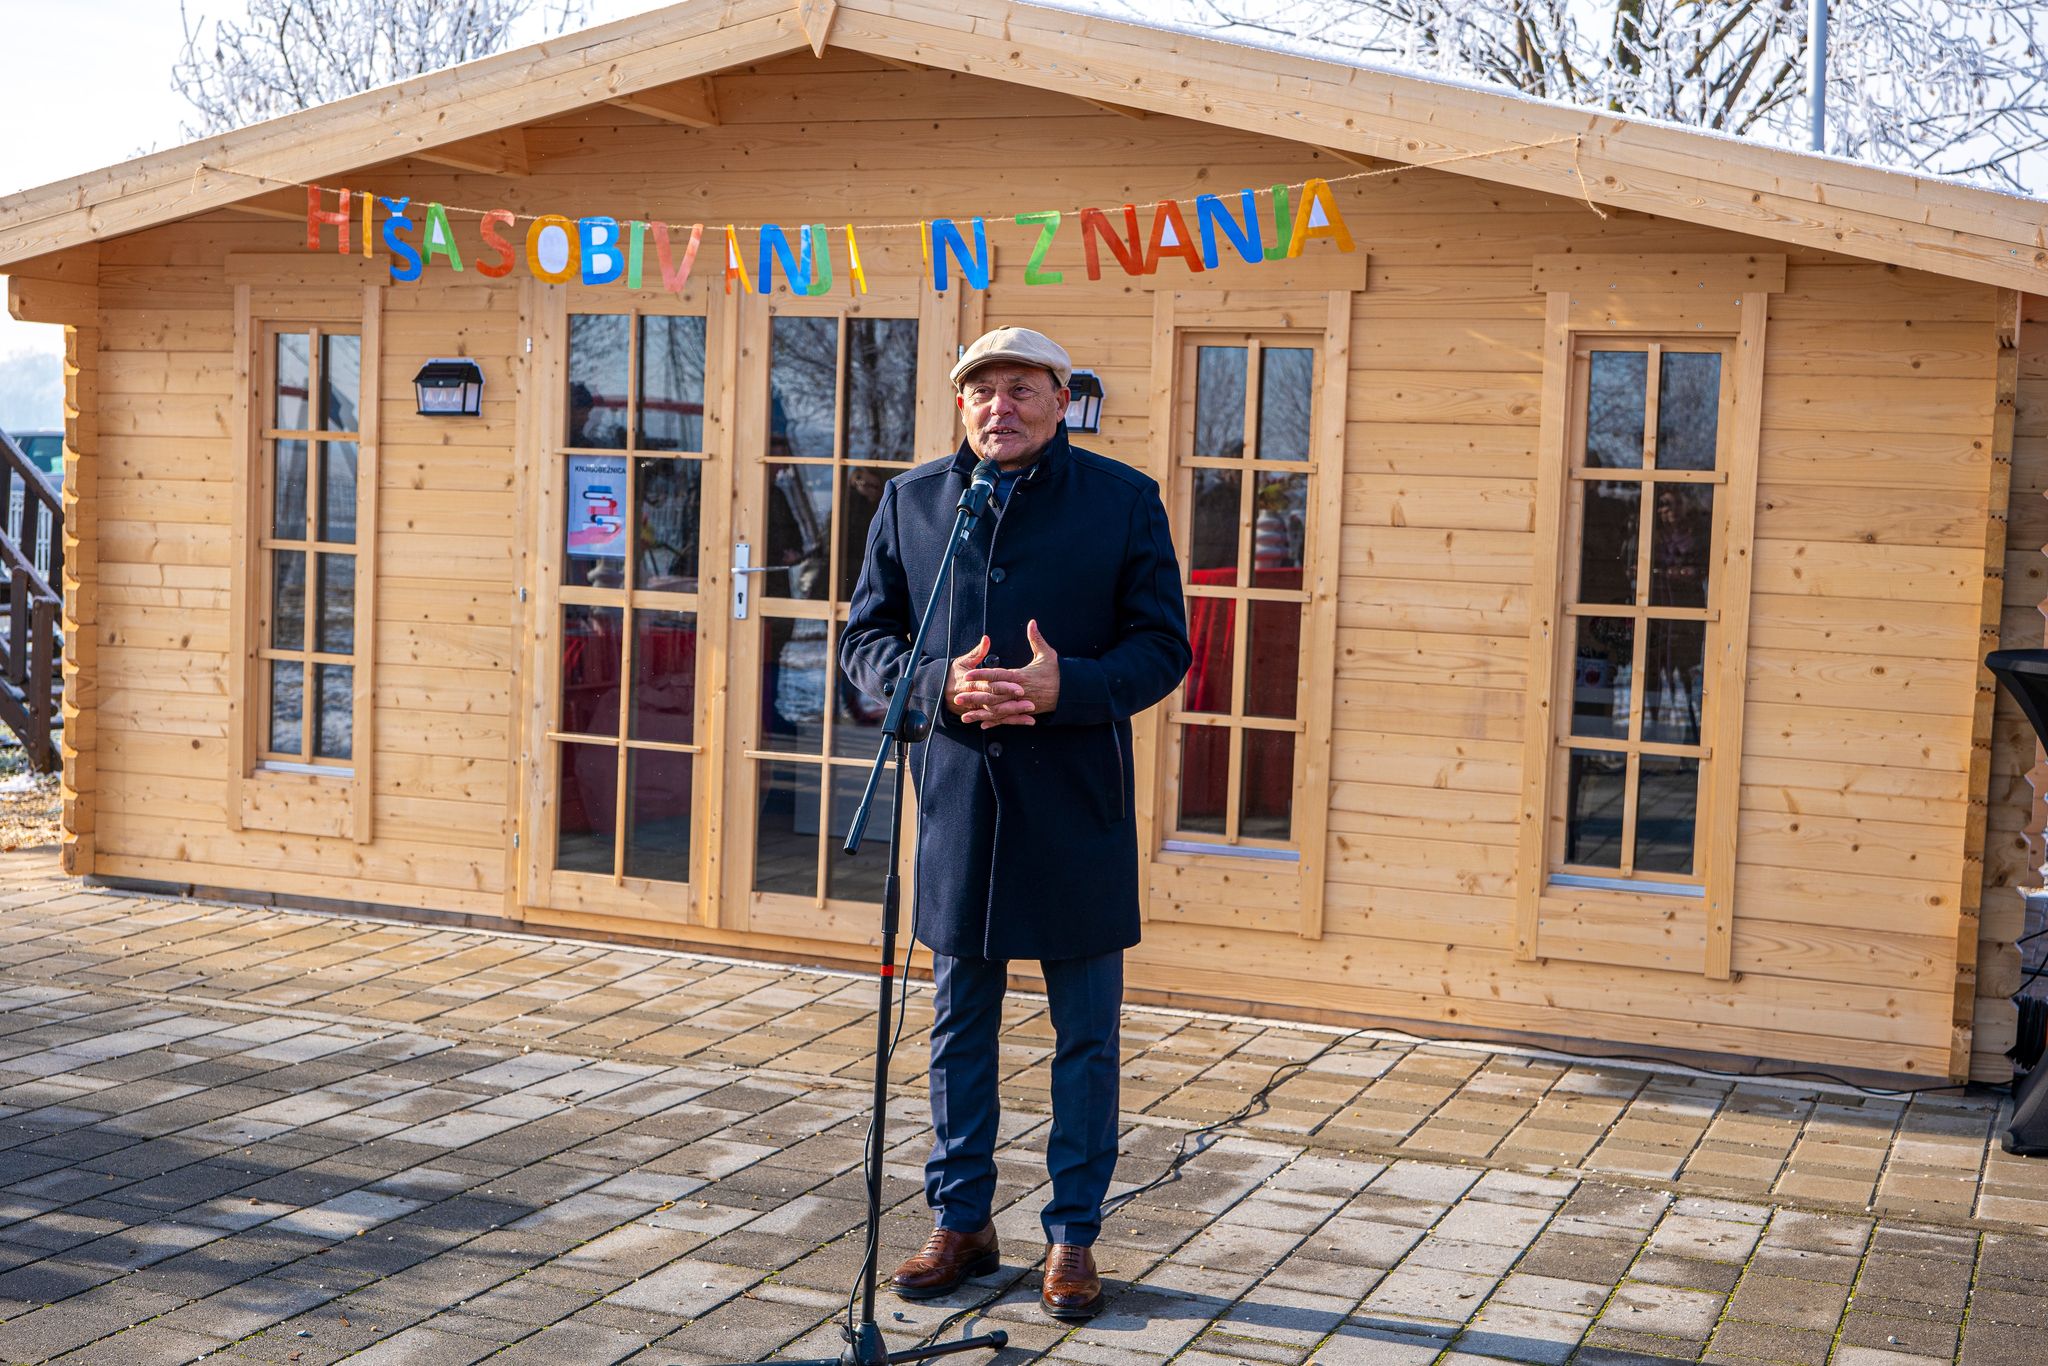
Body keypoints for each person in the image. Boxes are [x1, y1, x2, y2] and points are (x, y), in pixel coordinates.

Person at [839, 327, 1192, 1320]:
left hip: (1077, 807)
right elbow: (865, 639)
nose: (1001, 405)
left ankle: (1073, 1235)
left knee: (1085, 1037)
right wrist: (933, 686)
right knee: (959, 1026)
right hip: (960, 806)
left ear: (1061, 399)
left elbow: (1163, 647)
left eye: (1023, 388)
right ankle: (961, 1220)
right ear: (962, 404)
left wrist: (1062, 685)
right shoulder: (915, 501)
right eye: (982, 389)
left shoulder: (1123, 500)